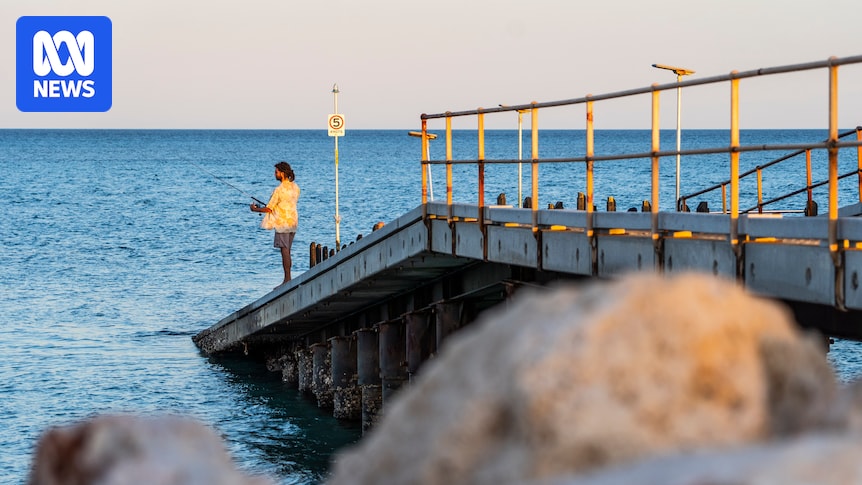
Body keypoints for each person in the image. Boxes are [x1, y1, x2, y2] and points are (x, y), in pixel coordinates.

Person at [251, 161, 300, 285]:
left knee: (284, 251)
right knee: (288, 250)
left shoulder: (278, 190)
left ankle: (287, 279)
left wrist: (255, 209)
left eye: (276, 172)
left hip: (282, 223)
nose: (275, 174)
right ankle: (288, 277)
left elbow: (269, 208)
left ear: (282, 173)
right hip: (293, 222)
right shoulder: (295, 187)